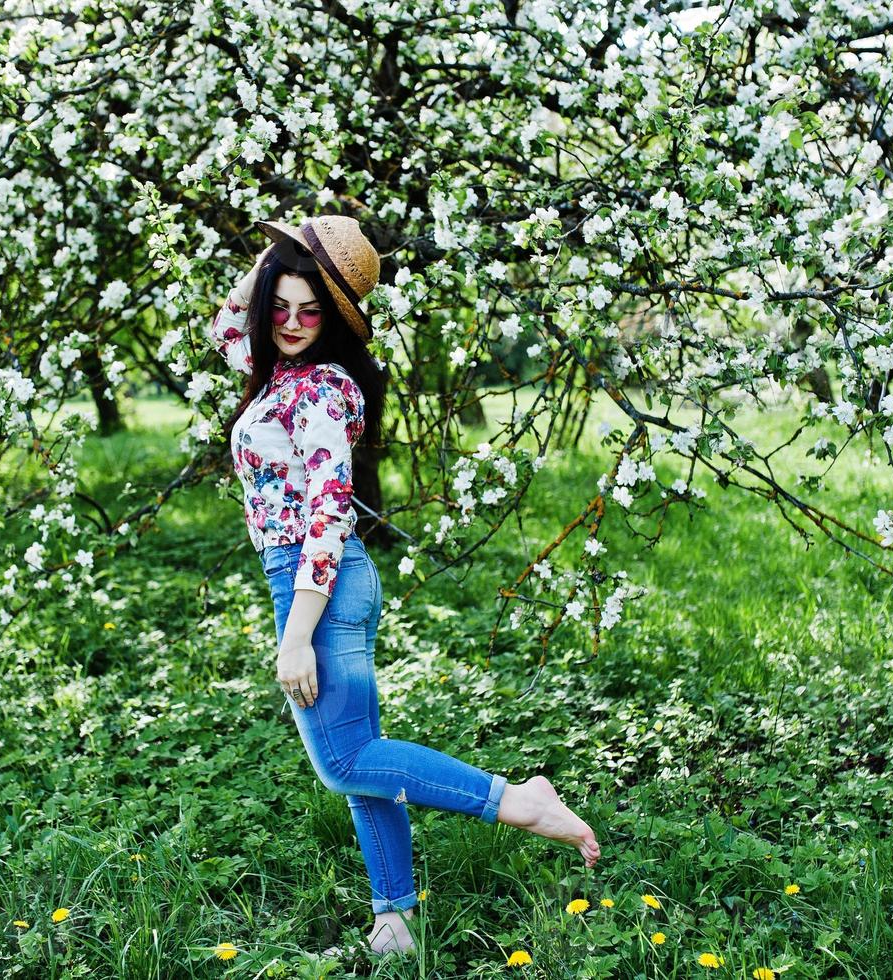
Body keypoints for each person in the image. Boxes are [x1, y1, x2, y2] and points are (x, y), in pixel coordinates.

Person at [206, 214, 601, 958]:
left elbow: (326, 514)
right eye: (279, 307)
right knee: (364, 756)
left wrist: (295, 634)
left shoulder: (319, 390)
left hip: (316, 581)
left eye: (309, 309)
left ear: (334, 319)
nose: (289, 323)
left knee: (347, 762)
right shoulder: (278, 372)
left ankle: (518, 802)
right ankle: (394, 917)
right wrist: (285, 253)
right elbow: (227, 327)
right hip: (310, 578)